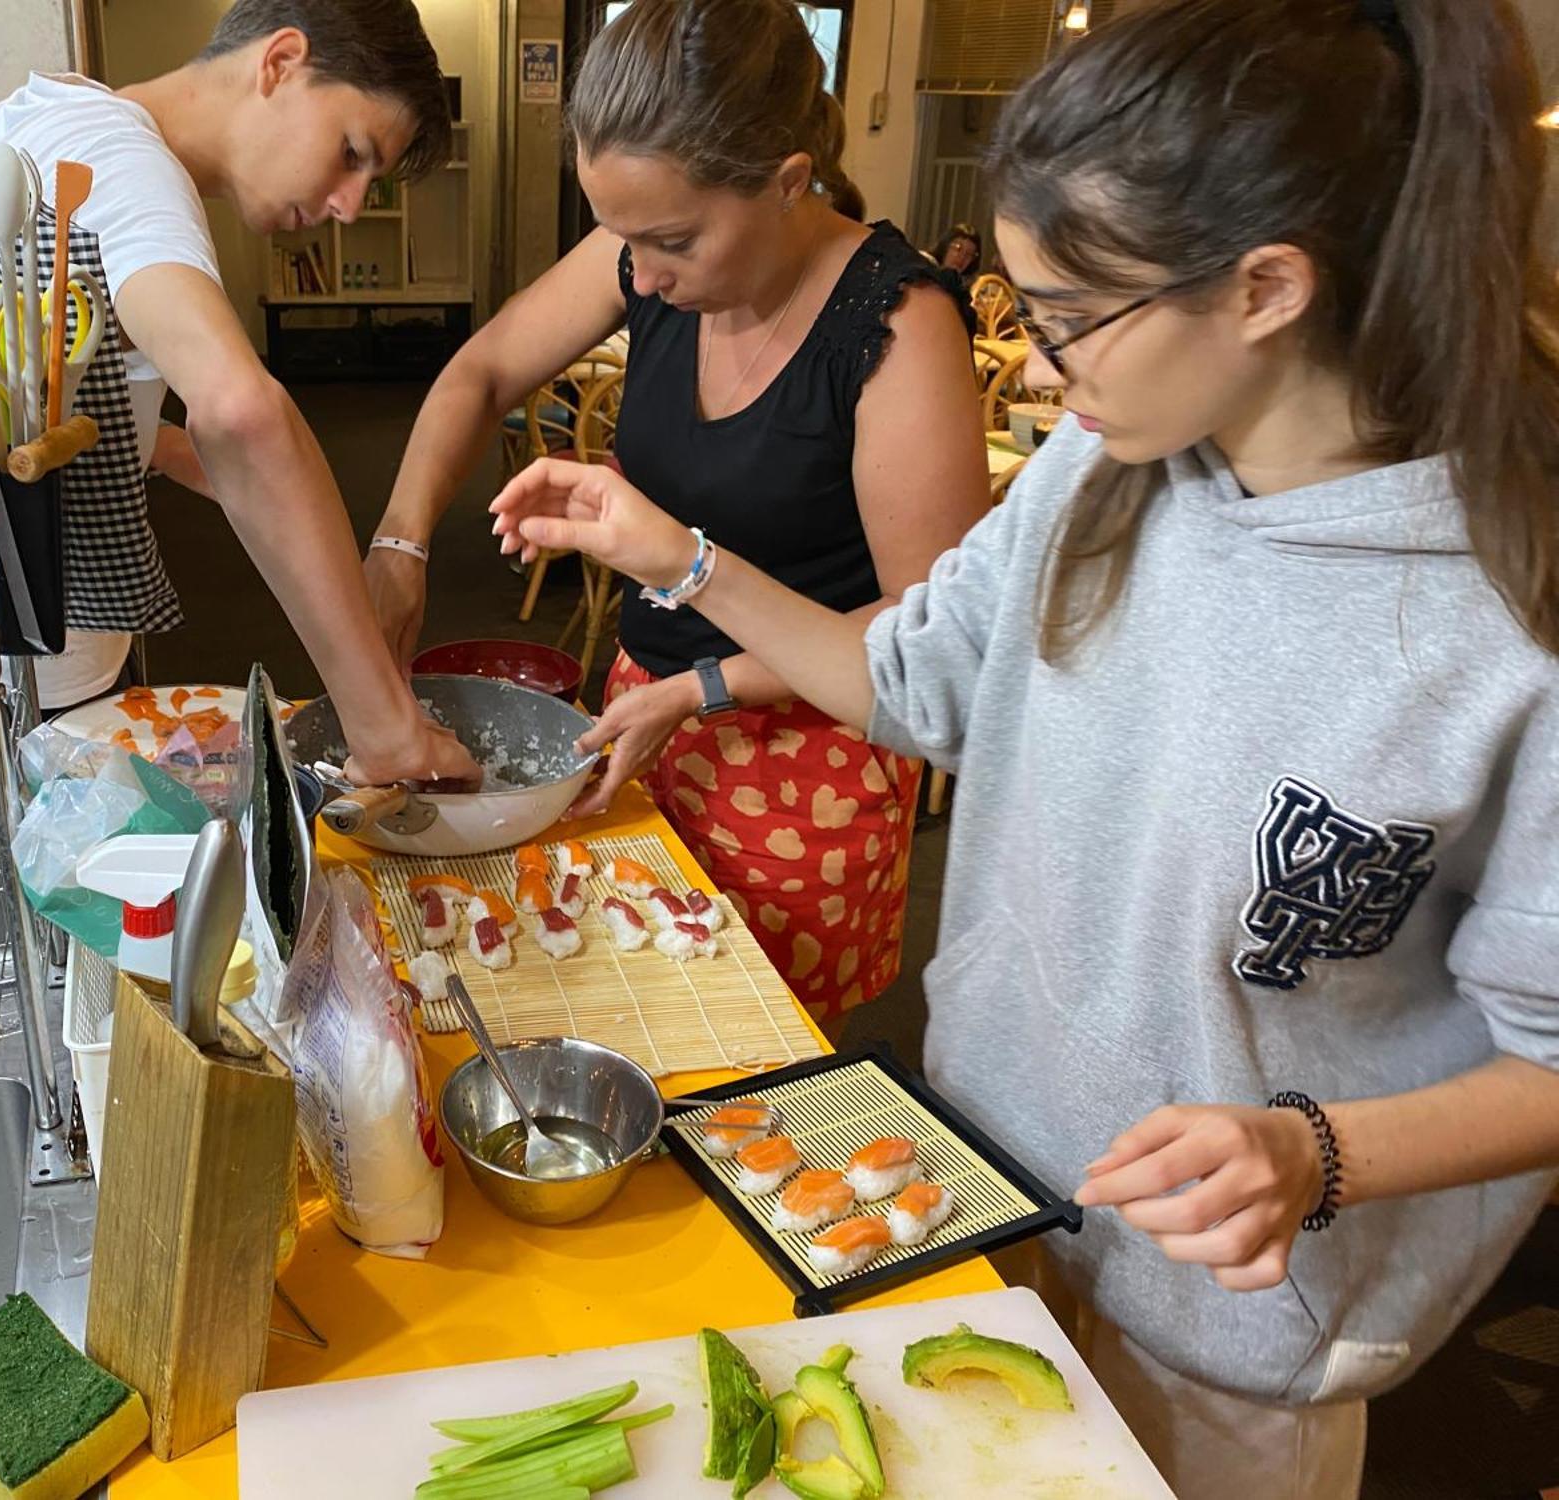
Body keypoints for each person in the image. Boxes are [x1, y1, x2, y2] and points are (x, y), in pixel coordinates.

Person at [488, 1, 1559, 1495]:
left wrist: (1316, 1153)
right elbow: (910, 681)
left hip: (1227, 1317)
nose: (1039, 376)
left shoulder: (1503, 615)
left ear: (1266, 287)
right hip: (974, 1179)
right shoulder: (1102, 471)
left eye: (1066, 321)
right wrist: (675, 557)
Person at [367, 0, 990, 1021]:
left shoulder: (897, 328)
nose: (641, 276)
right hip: (642, 714)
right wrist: (399, 542)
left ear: (787, 182)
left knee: (738, 1058)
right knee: (612, 1001)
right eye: (618, 237)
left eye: (671, 242)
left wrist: (705, 684)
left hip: (804, 768)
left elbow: (925, 634)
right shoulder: (643, 259)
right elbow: (478, 373)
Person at [0, 0, 476, 785]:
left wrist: (320, 541)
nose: (349, 205)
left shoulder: (54, 114)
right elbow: (238, 415)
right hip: (27, 667)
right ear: (279, 63)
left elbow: (89, 416)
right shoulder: (128, 168)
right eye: (351, 153)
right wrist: (384, 722)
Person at [929, 221, 984, 291]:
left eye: (969, 253)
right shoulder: (923, 268)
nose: (962, 257)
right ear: (945, 245)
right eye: (958, 248)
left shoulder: (969, 289)